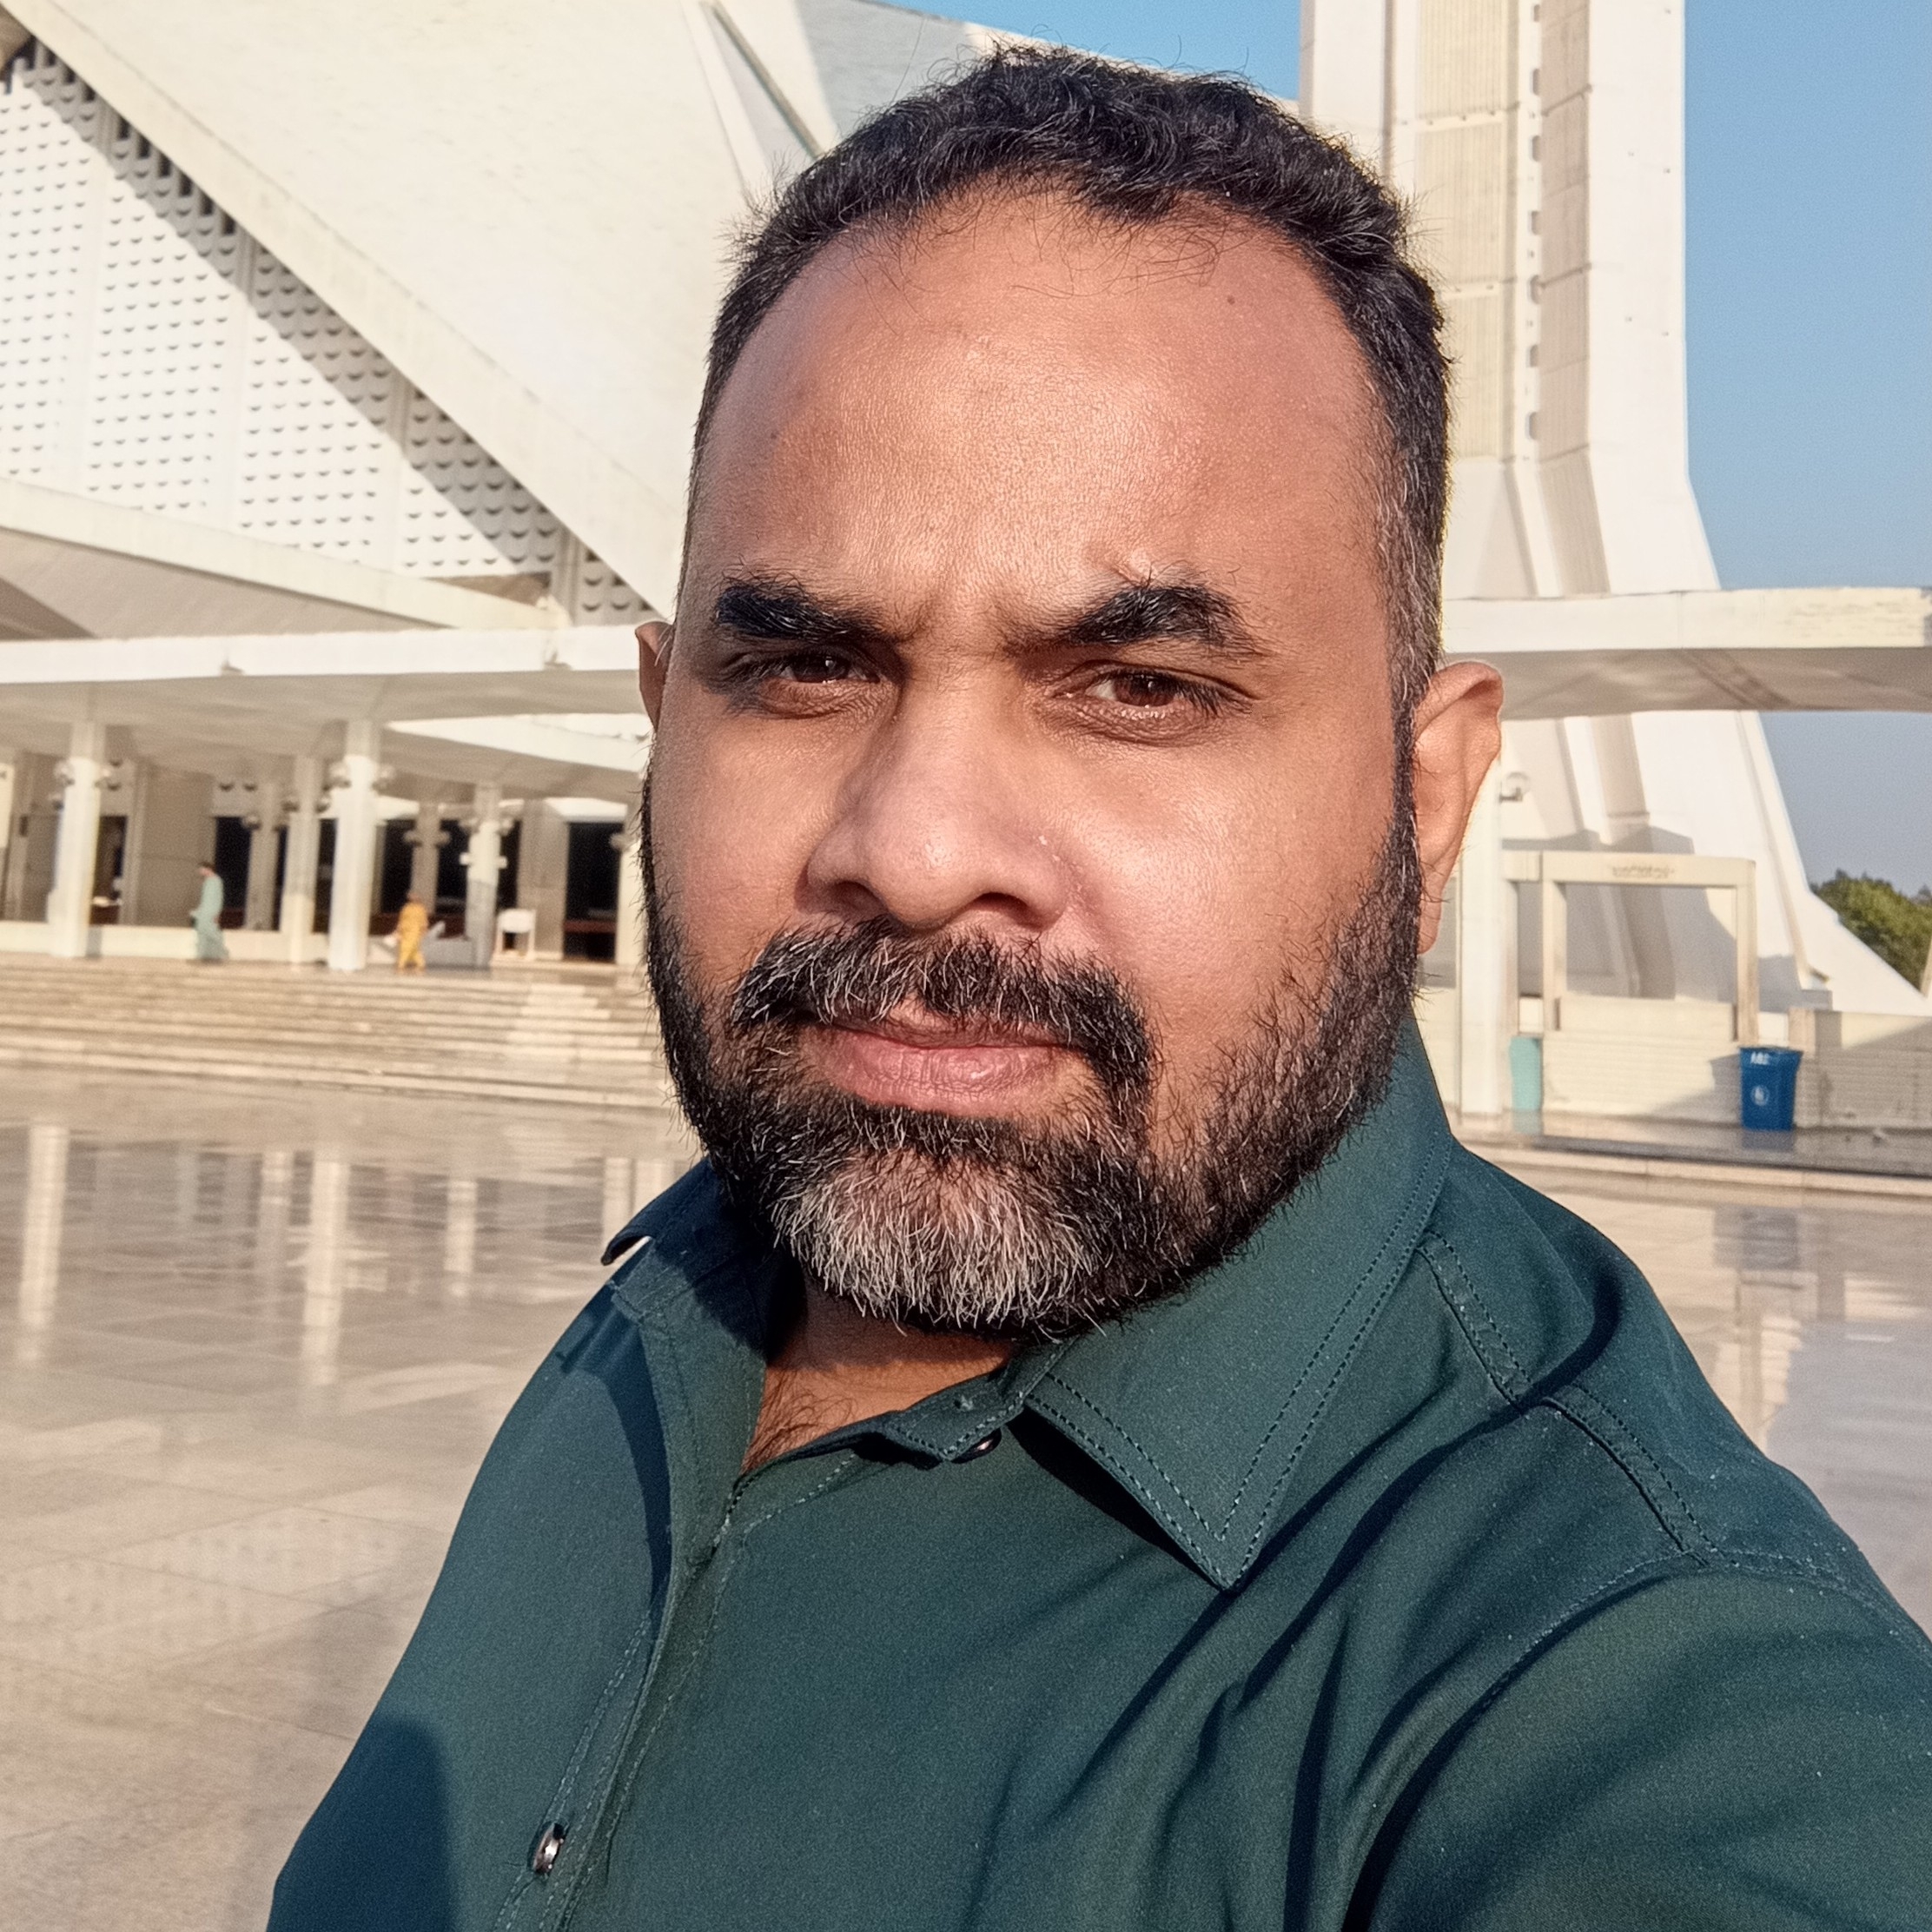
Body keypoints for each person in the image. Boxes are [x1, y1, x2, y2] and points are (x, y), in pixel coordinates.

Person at [270, 50, 1932, 1932]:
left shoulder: (1624, 1687)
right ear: (665, 723)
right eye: (806, 665)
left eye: (1137, 687)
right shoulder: (666, 1313)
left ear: (1423, 798)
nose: (914, 847)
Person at [190, 860, 226, 963]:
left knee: (212, 933)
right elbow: (204, 899)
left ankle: (220, 955)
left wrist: (217, 913)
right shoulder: (207, 881)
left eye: (202, 870)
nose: (200, 872)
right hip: (204, 911)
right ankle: (201, 956)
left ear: (208, 869)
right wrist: (198, 912)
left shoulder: (216, 881)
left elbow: (219, 898)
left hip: (211, 911)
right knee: (201, 932)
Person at [394, 890, 430, 973]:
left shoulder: (421, 908)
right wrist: (398, 930)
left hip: (415, 931)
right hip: (405, 930)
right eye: (411, 896)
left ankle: (401, 964)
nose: (413, 897)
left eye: (414, 896)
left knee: (406, 947)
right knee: (413, 949)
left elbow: (424, 920)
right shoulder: (406, 908)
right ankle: (421, 964)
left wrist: (424, 930)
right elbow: (401, 919)